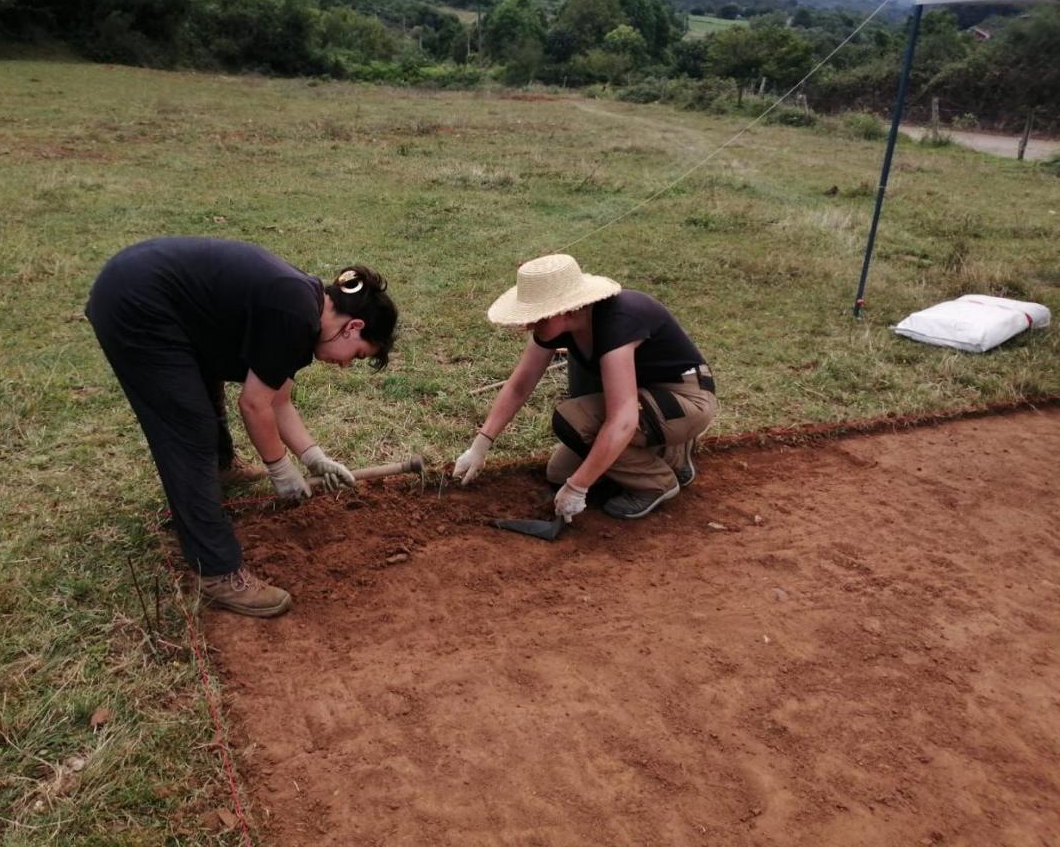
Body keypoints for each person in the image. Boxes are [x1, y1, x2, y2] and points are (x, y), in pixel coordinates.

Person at [86, 237, 398, 617]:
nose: (347, 365)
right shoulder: (296, 315)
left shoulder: (305, 305)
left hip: (151, 293)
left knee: (204, 391)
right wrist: (280, 469)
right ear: (354, 327)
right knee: (189, 430)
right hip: (138, 305)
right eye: (359, 355)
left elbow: (277, 397)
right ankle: (217, 571)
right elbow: (253, 404)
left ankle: (219, 469)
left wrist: (314, 457)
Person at [453, 253, 716, 522]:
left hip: (684, 400)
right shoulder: (561, 327)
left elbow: (623, 419)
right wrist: (480, 446)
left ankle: (658, 481)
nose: (529, 324)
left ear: (566, 309)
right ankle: (667, 452)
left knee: (573, 422)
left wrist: (578, 487)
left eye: (538, 316)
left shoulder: (617, 323)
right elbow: (519, 386)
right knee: (559, 472)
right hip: (644, 398)